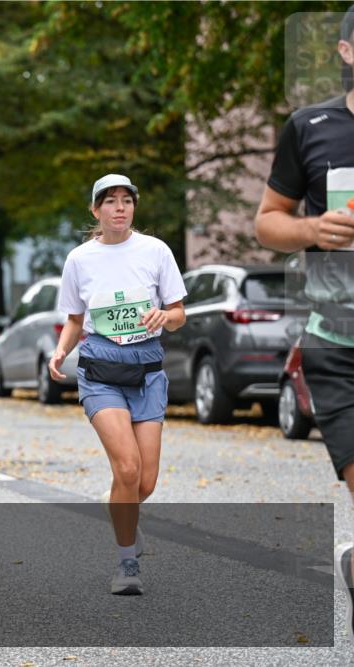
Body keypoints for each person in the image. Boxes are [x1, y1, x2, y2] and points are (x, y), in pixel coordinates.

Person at [253, 5, 354, 638]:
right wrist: (313, 229)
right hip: (339, 347)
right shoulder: (310, 126)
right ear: (347, 51)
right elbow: (268, 221)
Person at [49, 174, 186, 596]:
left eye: (127, 201)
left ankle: (127, 520)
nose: (120, 208)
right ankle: (127, 561)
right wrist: (59, 352)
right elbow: (74, 320)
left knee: (144, 482)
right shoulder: (79, 260)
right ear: (96, 210)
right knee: (126, 468)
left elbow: (179, 311)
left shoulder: (155, 251)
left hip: (147, 372)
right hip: (101, 372)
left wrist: (165, 317)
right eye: (110, 201)